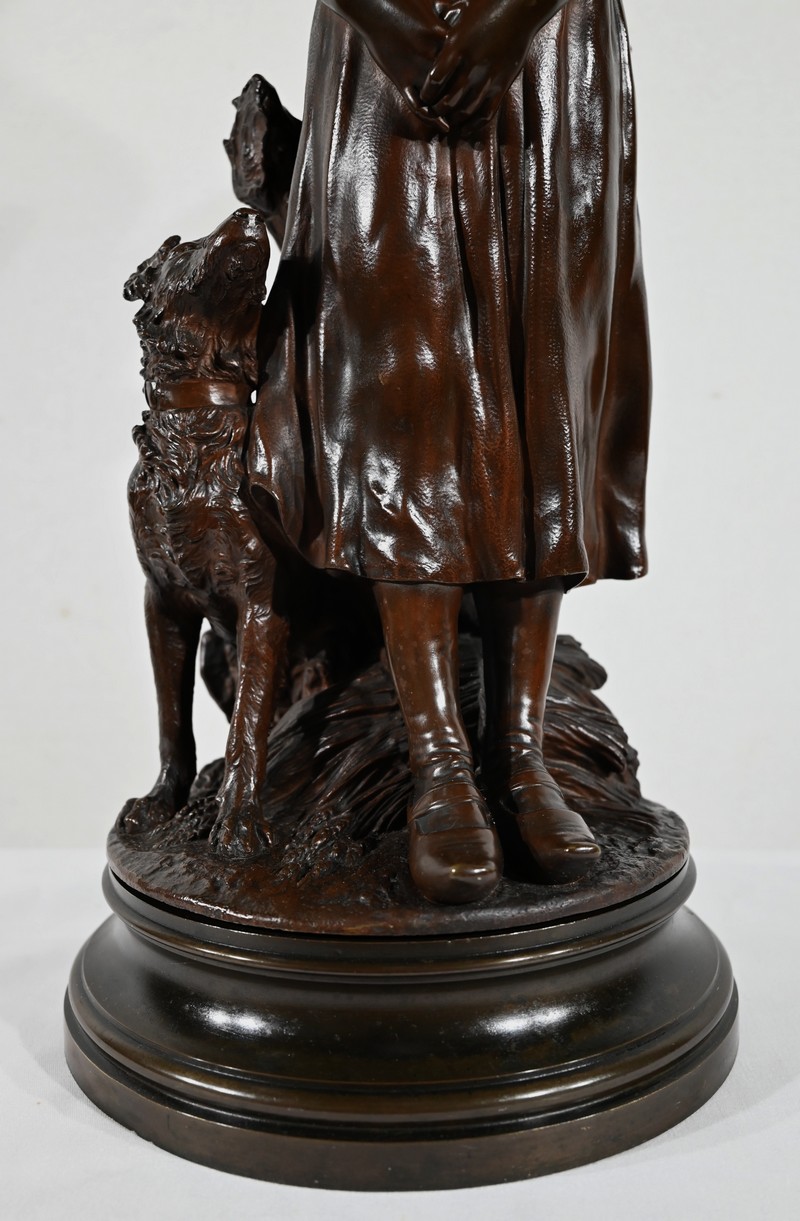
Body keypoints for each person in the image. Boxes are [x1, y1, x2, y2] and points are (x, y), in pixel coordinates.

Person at [249, 0, 651, 903]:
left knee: (542, 393)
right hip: (387, 57)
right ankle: (439, 763)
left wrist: (514, 18)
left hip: (548, 55)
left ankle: (520, 755)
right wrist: (386, 19)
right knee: (407, 398)